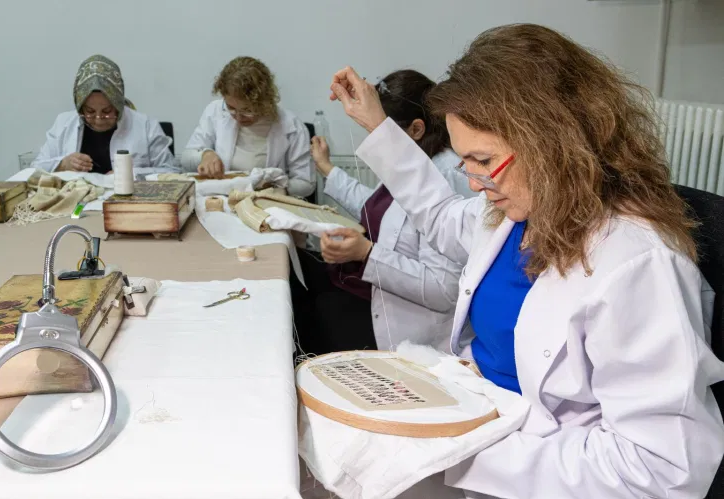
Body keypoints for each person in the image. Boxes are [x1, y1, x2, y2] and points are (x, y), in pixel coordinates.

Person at [328, 24, 724, 499]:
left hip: (536, 466)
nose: (473, 182)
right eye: (465, 162)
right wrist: (378, 125)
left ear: (552, 143)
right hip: (478, 418)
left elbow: (659, 470)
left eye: (483, 161)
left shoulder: (637, 262)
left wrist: (459, 451)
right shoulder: (514, 211)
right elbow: (438, 213)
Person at [292, 69, 465, 355]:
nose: (375, 141)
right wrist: (327, 168)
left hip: (409, 330)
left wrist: (366, 253)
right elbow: (378, 207)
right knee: (298, 280)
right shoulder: (415, 160)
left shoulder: (444, 175)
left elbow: (443, 289)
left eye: (380, 131)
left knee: (307, 316)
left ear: (416, 129)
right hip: (379, 294)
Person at [183, 56, 315, 197]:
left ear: (266, 101)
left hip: (267, 202)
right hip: (220, 199)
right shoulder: (215, 112)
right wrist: (205, 155)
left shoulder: (291, 126)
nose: (239, 118)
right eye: (231, 108)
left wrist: (275, 188)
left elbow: (306, 183)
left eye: (247, 110)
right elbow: (185, 158)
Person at [32, 55, 179, 175]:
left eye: (107, 111)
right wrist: (62, 164)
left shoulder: (145, 126)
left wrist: (131, 174)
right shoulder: (63, 123)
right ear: (80, 107)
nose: (98, 120)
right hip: (78, 202)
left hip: (129, 200)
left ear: (118, 105)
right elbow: (34, 169)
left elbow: (172, 171)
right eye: (90, 112)